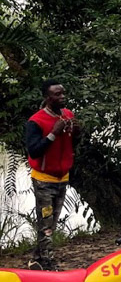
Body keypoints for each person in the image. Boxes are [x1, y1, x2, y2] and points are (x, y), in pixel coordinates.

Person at [24, 80, 81, 270]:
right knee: (46, 223)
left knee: (51, 222)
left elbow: (71, 145)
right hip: (43, 180)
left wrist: (77, 132)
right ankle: (48, 263)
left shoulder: (68, 115)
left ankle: (37, 259)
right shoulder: (36, 121)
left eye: (63, 93)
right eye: (57, 94)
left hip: (62, 177)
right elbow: (34, 151)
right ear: (48, 98)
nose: (62, 97)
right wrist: (53, 134)